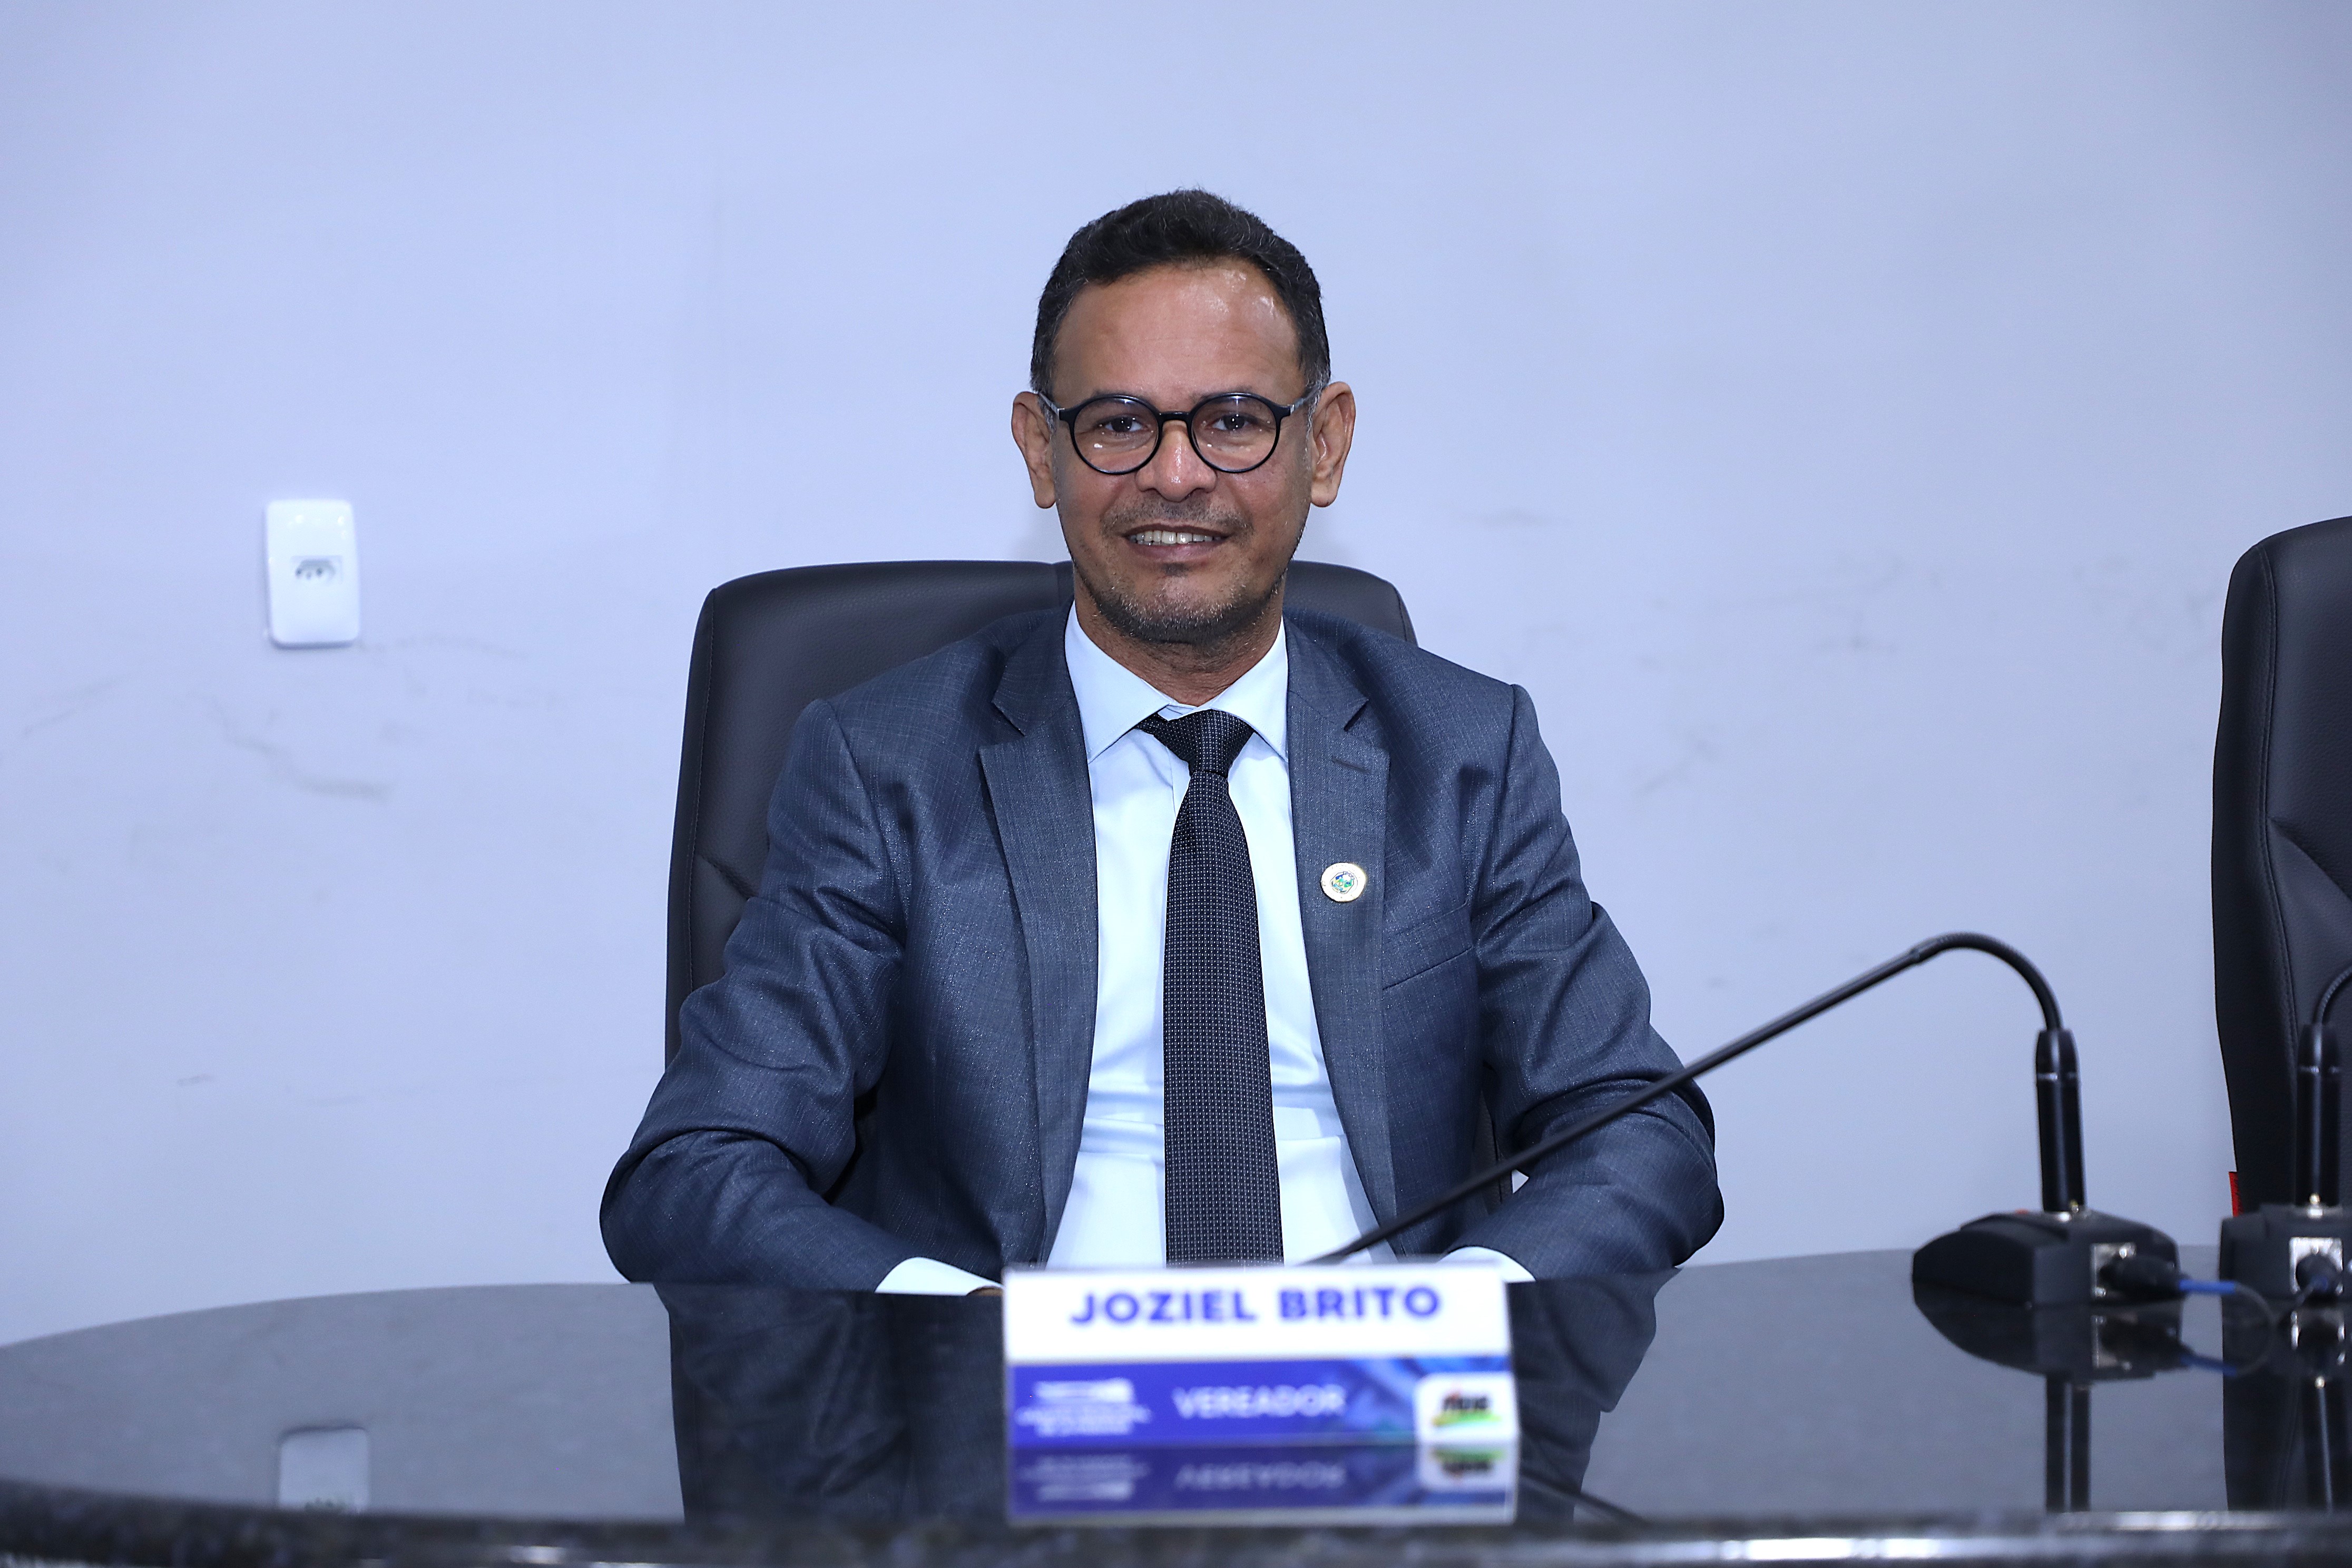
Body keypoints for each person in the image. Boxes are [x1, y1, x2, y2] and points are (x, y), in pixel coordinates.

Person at [602, 190, 1720, 1293]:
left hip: (1386, 1382)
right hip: (1013, 1391)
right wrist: (972, 1337)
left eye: (1232, 421)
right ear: (1041, 451)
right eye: (1118, 423)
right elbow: (698, 1171)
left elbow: (1639, 1134)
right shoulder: (887, 767)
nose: (1174, 474)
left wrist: (1450, 1314)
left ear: (1324, 445)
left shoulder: (1465, 753)